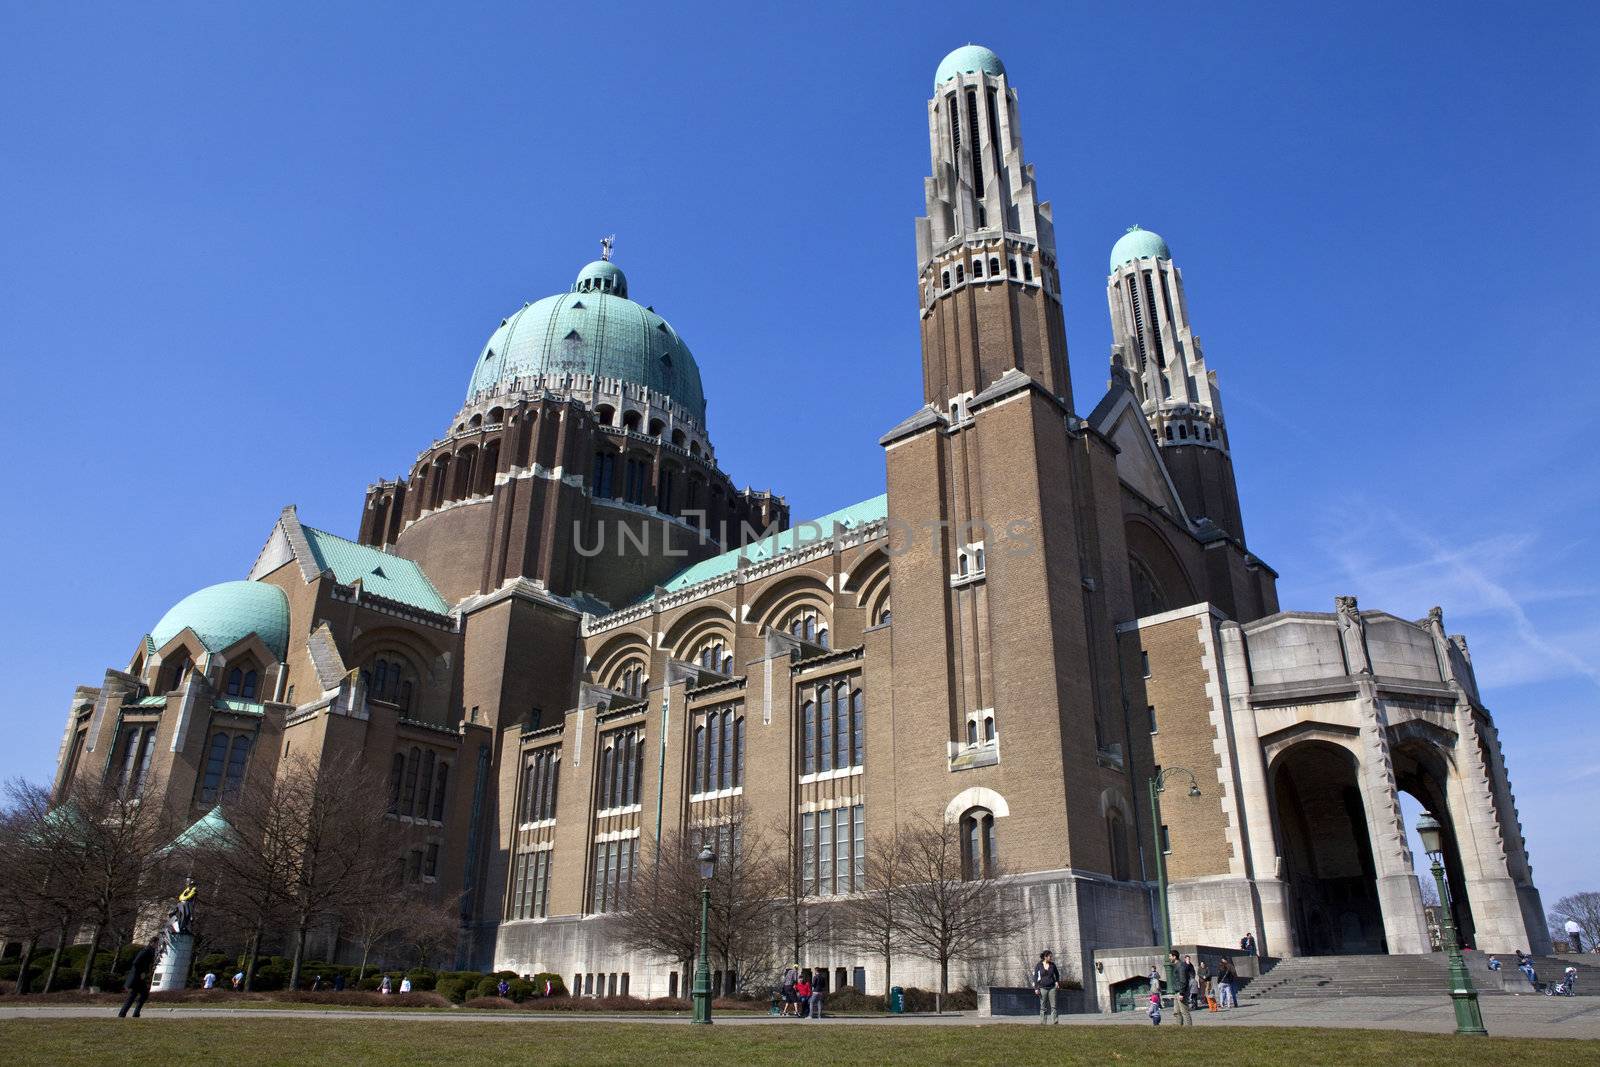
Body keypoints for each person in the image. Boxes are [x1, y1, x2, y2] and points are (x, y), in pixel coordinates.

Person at [117, 939, 159, 1019]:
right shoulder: (145, 951)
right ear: (152, 943)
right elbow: (136, 962)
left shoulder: (150, 951)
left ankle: (131, 1013)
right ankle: (125, 1014)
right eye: (156, 943)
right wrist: (141, 972)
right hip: (137, 977)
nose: (157, 945)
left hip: (140, 978)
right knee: (134, 995)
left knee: (141, 995)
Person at [1032, 949, 1061, 1024]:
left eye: (1051, 956)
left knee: (1053, 1006)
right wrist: (1036, 988)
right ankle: (1043, 1022)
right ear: (1045, 957)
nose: (1051, 958)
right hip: (1042, 988)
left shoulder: (1052, 965)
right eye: (1050, 956)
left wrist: (1057, 982)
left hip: (1052, 988)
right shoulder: (1039, 965)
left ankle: (1055, 1021)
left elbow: (1057, 974)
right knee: (1043, 1006)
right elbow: (1035, 977)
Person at [1167, 951, 1192, 1026]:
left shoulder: (1181, 966)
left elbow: (1183, 980)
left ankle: (1189, 1028)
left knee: (1184, 1011)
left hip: (1181, 991)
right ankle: (1179, 1027)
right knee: (1176, 1012)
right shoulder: (1176, 965)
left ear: (1174, 957)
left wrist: (1181, 993)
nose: (1169, 958)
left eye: (1170, 956)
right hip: (1177, 991)